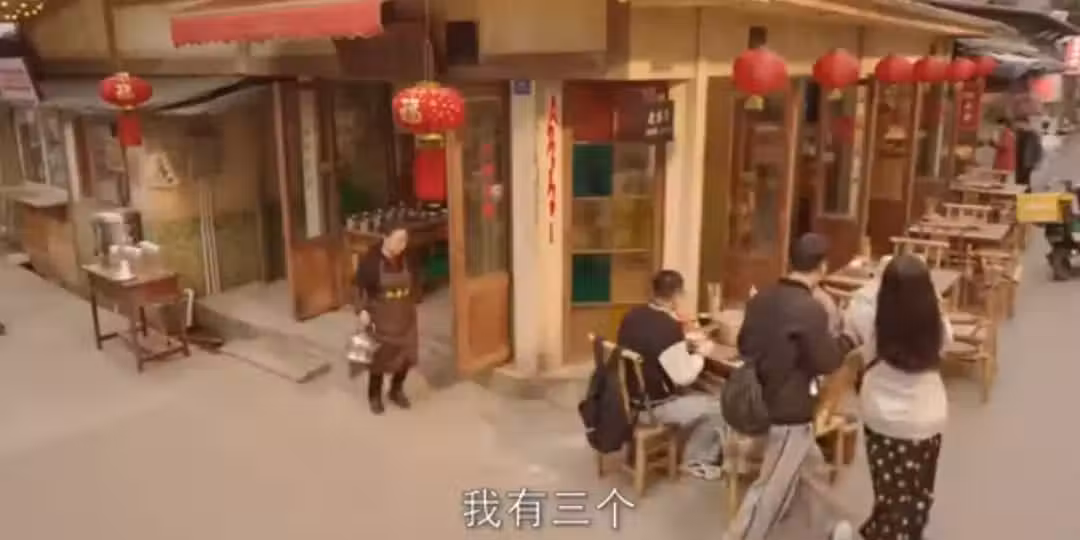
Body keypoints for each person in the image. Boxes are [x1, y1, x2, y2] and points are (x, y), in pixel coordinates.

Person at [723, 233, 852, 540]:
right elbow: (826, 362)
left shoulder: (761, 299)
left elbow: (744, 345)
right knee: (770, 490)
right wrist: (847, 341)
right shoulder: (810, 309)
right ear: (822, 267)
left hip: (757, 397)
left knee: (813, 470)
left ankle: (830, 527)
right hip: (789, 411)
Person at [842, 254, 953, 540]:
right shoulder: (936, 322)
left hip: (882, 417)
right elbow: (946, 345)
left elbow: (853, 311)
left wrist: (879, 279)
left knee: (888, 493)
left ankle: (884, 531)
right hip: (926, 417)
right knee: (918, 494)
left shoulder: (871, 316)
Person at [616, 270, 727, 480]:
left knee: (704, 390)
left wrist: (684, 347)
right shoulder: (667, 327)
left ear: (653, 291)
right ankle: (696, 461)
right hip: (653, 407)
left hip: (629, 399)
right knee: (721, 406)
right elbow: (683, 377)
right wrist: (701, 354)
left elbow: (653, 348)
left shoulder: (632, 316)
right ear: (677, 295)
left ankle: (690, 447)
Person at [355, 222, 418, 415]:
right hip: (381, 320)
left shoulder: (408, 258)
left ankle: (396, 390)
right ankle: (374, 396)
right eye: (399, 240)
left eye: (405, 240)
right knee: (379, 362)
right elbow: (359, 289)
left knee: (406, 358)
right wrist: (362, 310)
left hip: (405, 319)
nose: (403, 245)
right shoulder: (371, 261)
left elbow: (416, 281)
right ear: (385, 237)